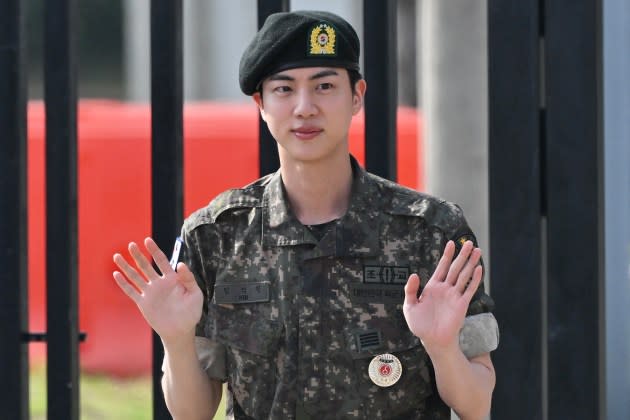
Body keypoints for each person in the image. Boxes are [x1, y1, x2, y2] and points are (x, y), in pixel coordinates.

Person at [113, 10, 499, 420]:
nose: (304, 107)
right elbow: (193, 413)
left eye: (325, 86)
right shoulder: (217, 235)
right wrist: (175, 340)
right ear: (261, 104)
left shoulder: (431, 230)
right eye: (283, 89)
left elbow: (476, 404)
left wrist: (441, 347)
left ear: (357, 97)